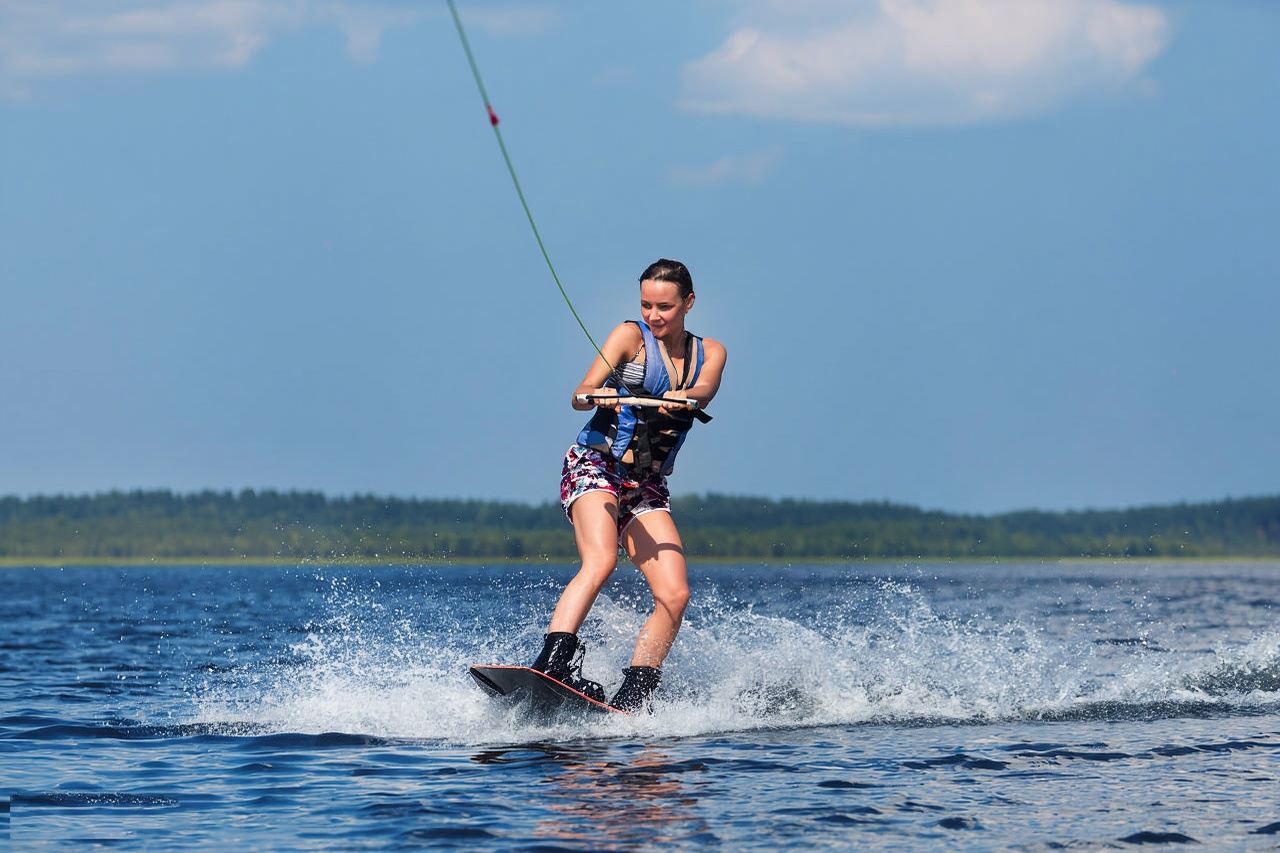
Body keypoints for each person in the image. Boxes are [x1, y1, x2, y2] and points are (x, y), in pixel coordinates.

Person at [530, 258, 727, 712]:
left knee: (675, 593)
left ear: (688, 303)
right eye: (646, 305)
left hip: (645, 483)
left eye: (664, 307)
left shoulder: (710, 352)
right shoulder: (629, 337)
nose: (654, 316)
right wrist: (593, 395)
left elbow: (705, 390)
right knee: (599, 561)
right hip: (596, 467)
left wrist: (687, 396)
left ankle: (636, 694)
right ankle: (552, 661)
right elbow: (580, 392)